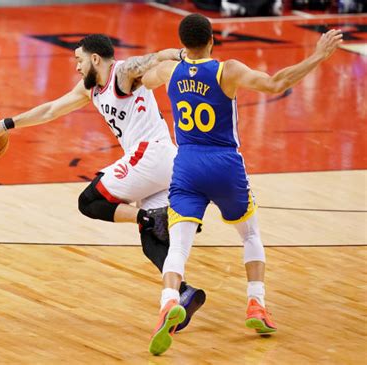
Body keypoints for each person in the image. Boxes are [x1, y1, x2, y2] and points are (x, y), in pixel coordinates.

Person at [0, 34, 206, 331]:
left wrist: (182, 55)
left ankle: (155, 217)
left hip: (151, 154)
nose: (77, 67)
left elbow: (155, 57)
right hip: (163, 163)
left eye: (79, 60)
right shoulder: (90, 89)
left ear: (96, 59)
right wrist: (6, 124)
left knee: (89, 201)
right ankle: (182, 292)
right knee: (152, 240)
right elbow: (51, 109)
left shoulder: (122, 74)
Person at [141, 14, 343, 355]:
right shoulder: (227, 70)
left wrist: (173, 56)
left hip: (187, 164)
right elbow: (277, 83)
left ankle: (169, 301)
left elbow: (145, 78)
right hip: (224, 164)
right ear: (211, 41)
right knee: (250, 235)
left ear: (184, 43)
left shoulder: (169, 72)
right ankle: (256, 304)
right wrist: (318, 56)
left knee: (178, 247)